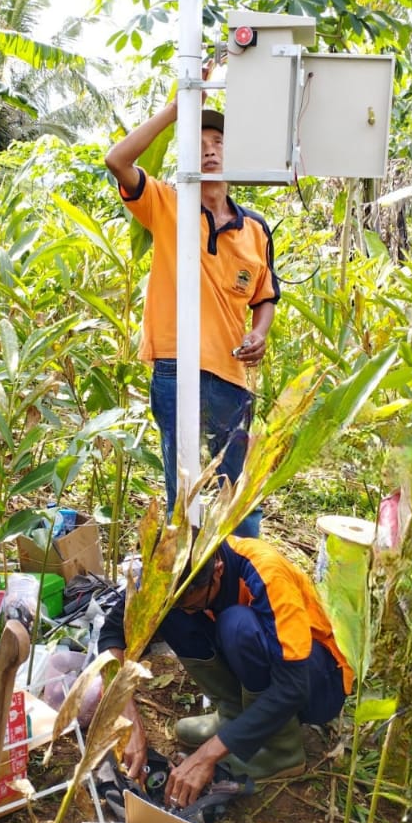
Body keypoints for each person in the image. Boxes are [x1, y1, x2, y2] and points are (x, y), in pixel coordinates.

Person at [104, 98, 278, 537]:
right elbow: (117, 159)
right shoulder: (166, 204)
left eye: (219, 141)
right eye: (198, 142)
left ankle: (237, 587)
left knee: (234, 492)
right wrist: (176, 110)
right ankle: (186, 589)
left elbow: (265, 295)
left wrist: (260, 333)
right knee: (183, 492)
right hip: (175, 367)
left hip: (232, 376)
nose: (210, 150)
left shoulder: (255, 229)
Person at [98, 538, 352, 810]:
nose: (188, 609)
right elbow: (112, 633)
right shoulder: (167, 571)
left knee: (237, 625)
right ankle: (233, 716)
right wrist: (125, 714)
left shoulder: (265, 572)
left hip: (319, 680)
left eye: (193, 604)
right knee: (173, 615)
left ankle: (281, 751)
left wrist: (208, 754)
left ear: (218, 569)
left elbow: (293, 687)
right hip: (270, 668)